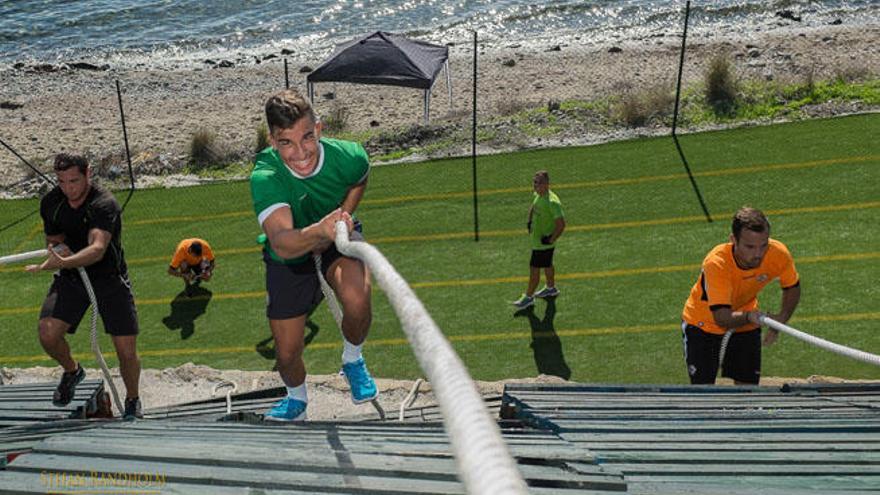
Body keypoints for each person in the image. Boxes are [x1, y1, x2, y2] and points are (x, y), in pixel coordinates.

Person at [249, 88, 377, 421]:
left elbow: (360, 176)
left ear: (318, 129)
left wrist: (342, 219)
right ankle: (297, 398)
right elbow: (281, 242)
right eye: (286, 142)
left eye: (307, 137)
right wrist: (318, 231)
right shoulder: (266, 175)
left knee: (359, 298)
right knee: (287, 353)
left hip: (335, 236)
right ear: (273, 142)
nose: (301, 153)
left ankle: (352, 360)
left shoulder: (348, 156)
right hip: (289, 255)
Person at [25, 154, 143, 419]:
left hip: (109, 278)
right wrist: (56, 252)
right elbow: (54, 240)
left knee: (125, 350)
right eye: (62, 182)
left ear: (88, 174)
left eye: (74, 181)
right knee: (47, 333)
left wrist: (61, 260)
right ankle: (72, 371)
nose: (69, 188)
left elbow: (97, 249)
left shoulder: (104, 204)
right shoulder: (52, 203)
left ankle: (133, 399)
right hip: (72, 278)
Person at [681, 206, 801, 385]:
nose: (758, 254)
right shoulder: (717, 263)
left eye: (763, 245)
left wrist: (781, 319)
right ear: (733, 240)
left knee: (748, 389)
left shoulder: (778, 254)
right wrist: (751, 316)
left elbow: (792, 286)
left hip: (746, 321)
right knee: (703, 392)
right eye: (750, 247)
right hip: (703, 325)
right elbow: (722, 317)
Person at [512, 170, 566, 310]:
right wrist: (529, 221)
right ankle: (551, 288)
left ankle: (528, 298)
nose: (536, 185)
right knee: (547, 265)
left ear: (547, 184)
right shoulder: (539, 195)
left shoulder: (552, 202)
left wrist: (550, 240)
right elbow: (533, 206)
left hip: (542, 245)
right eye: (534, 182)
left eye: (539, 183)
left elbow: (561, 224)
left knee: (534, 270)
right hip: (539, 242)